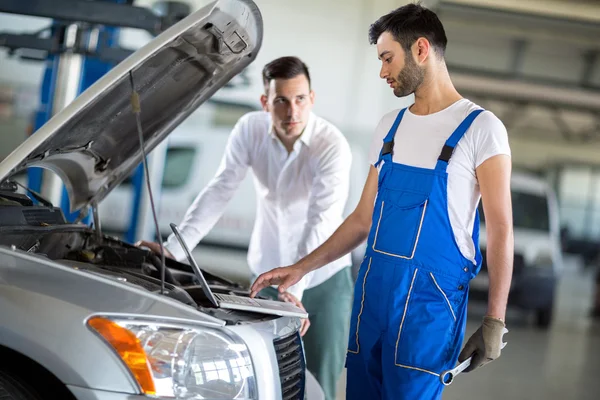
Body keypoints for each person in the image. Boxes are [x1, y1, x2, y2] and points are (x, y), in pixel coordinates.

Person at [250, 4, 514, 400]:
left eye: (387, 58)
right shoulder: (389, 126)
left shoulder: (481, 129)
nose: (382, 71)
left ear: (421, 50)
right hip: (371, 301)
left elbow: (500, 228)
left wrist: (494, 319)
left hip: (429, 307)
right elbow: (361, 220)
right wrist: (299, 269)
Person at [138, 56, 354, 400]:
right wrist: (175, 250)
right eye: (281, 101)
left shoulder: (332, 146)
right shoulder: (249, 130)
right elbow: (220, 189)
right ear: (265, 102)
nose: (292, 112)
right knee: (266, 375)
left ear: (312, 99)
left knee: (319, 382)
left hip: (324, 279)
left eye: (300, 100)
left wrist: (294, 292)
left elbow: (321, 219)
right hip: (266, 275)